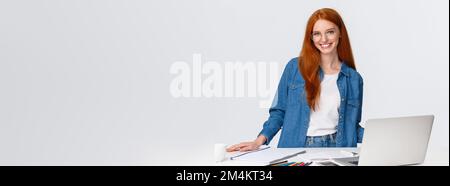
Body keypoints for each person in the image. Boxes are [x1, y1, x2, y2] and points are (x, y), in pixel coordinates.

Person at [227, 8, 364, 152]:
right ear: (311, 37)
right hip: (297, 147)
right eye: (317, 34)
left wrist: (381, 138)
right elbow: (279, 111)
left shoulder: (354, 79)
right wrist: (258, 141)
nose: (324, 39)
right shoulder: (295, 68)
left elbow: (351, 126)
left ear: (340, 33)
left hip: (338, 149)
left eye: (330, 32)